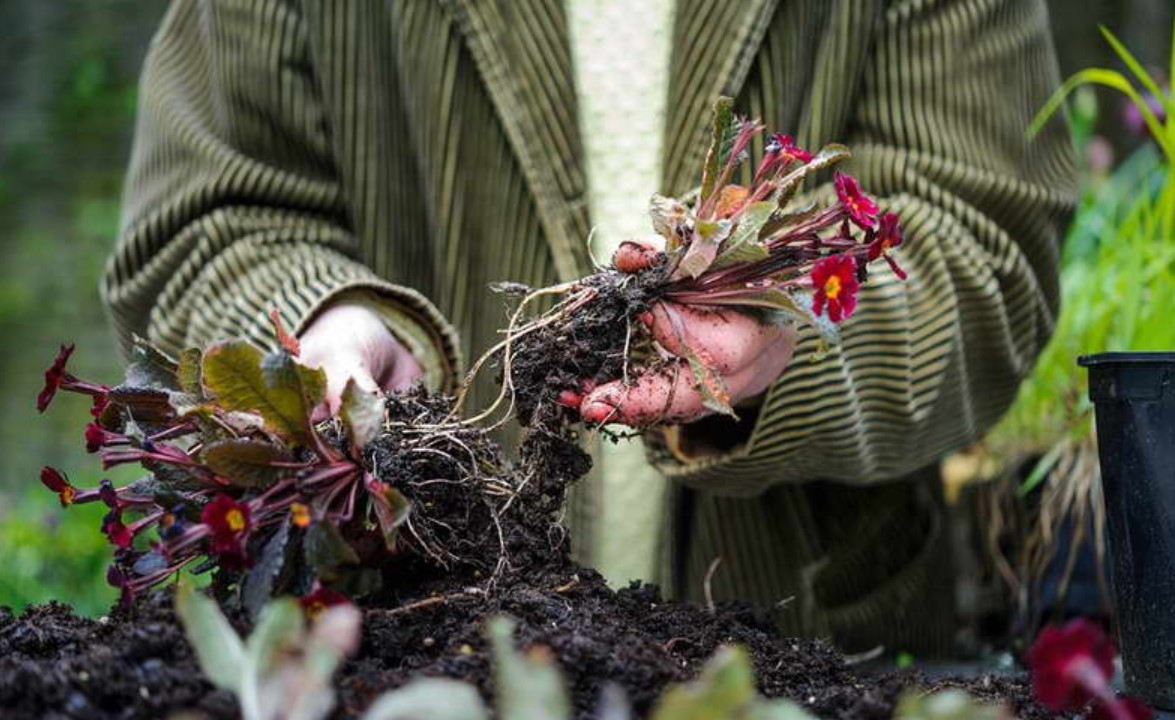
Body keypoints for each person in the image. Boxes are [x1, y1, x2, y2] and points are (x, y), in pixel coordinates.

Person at [105, 0, 1076, 656]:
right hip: (407, 657)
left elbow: (984, 246)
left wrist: (790, 349)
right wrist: (329, 321)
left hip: (811, 663)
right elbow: (204, 217)